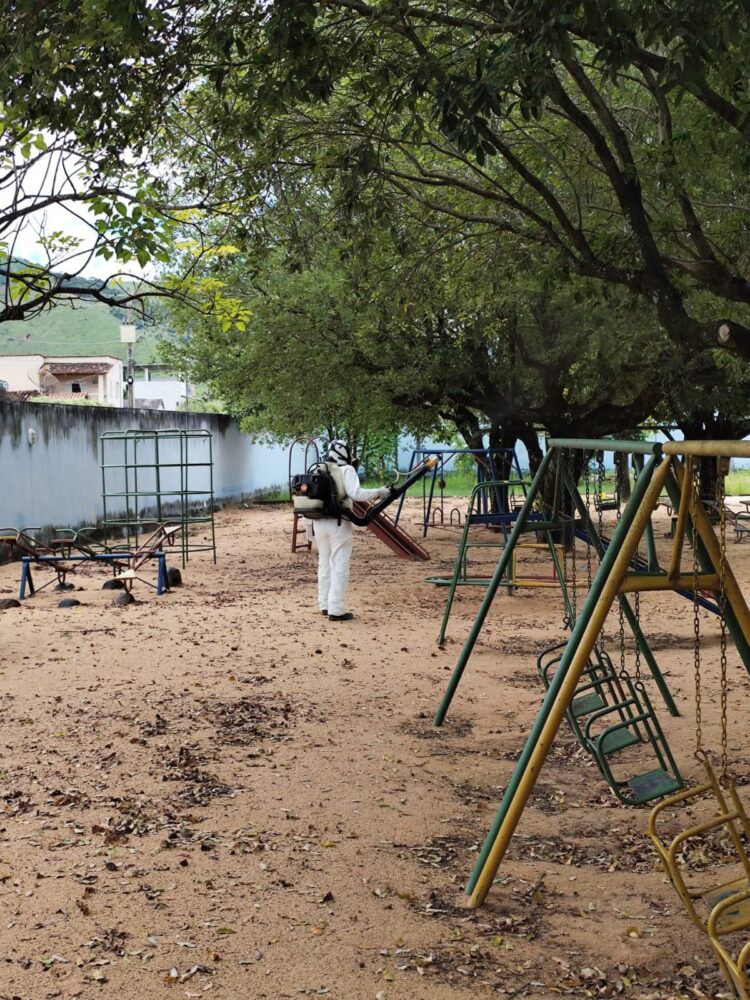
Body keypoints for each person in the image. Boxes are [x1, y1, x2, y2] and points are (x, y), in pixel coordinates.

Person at [312, 439, 391, 621]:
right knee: (339, 563)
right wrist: (378, 491)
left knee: (324, 563)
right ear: (345, 452)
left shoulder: (320, 469)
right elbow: (356, 493)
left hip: (318, 522)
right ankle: (337, 609)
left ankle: (324, 604)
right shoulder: (346, 470)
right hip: (338, 522)